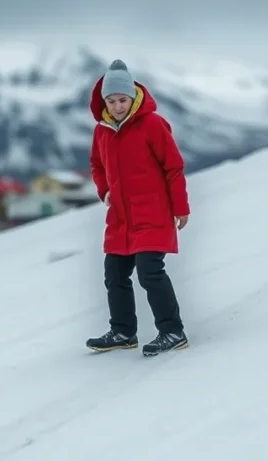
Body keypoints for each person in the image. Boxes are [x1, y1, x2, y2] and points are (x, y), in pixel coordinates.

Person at [85, 59, 191, 357]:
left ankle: (172, 331)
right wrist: (104, 190)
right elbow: (96, 164)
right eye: (111, 100)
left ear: (133, 96)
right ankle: (122, 331)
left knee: (150, 272)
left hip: (153, 213)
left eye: (122, 99)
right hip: (120, 217)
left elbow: (173, 167)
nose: (118, 106)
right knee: (114, 274)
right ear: (103, 101)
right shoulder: (102, 131)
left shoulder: (153, 124)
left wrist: (180, 208)